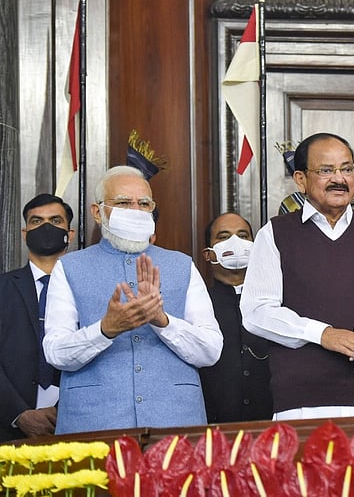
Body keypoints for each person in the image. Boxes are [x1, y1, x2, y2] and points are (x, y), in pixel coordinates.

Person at [240, 133, 354, 420]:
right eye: (326, 170)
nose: (340, 179)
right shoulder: (275, 233)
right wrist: (323, 334)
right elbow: (256, 312)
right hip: (301, 403)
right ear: (300, 179)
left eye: (347, 169)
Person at [43, 165, 223, 434]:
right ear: (98, 212)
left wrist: (163, 321)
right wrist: (105, 330)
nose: (135, 211)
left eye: (144, 203)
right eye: (124, 203)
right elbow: (55, 351)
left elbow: (210, 350)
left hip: (174, 421)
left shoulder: (182, 265)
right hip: (94, 423)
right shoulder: (69, 267)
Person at [0, 194, 74, 441]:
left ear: (70, 234)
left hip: (77, 425)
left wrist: (64, 411)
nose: (45, 227)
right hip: (8, 431)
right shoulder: (3, 288)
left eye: (55, 221)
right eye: (36, 221)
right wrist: (19, 414)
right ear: (24, 233)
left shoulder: (87, 290)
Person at [200, 213, 273, 423]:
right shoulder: (198, 304)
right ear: (208, 254)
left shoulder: (276, 302)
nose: (235, 242)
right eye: (223, 237)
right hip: (214, 427)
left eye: (243, 235)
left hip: (272, 426)